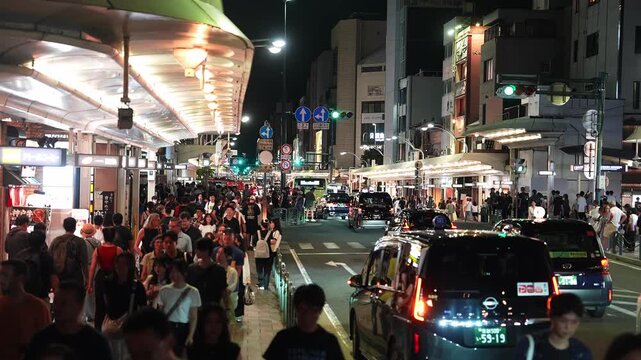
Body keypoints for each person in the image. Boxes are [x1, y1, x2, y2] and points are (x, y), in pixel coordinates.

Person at [25, 281, 112, 360]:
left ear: (79, 306)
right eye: (56, 303)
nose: (57, 308)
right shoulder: (41, 340)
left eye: (63, 304)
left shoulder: (96, 343)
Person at [264, 284, 344, 360]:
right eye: (303, 310)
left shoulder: (329, 342)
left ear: (319, 311)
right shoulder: (283, 338)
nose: (308, 315)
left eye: (313, 310)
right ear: (296, 309)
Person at [514, 293, 591, 359]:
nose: (568, 327)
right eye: (563, 321)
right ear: (551, 316)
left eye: (574, 322)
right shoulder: (529, 346)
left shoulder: (581, 352)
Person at [0, 260, 51, 360]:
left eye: (5, 275)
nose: (1, 279)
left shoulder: (38, 307)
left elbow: (46, 342)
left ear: (20, 278)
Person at [102, 253, 146, 358]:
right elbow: (105, 305)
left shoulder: (137, 286)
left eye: (123, 264)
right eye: (118, 263)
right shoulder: (108, 283)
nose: (119, 267)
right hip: (110, 326)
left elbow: (142, 309)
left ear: (129, 266)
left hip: (129, 329)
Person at [155, 259, 201, 357]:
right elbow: (160, 314)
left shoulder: (193, 292)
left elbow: (193, 317)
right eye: (172, 272)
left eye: (177, 272)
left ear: (184, 273)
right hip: (168, 328)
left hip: (183, 329)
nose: (174, 274)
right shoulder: (164, 290)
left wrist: (190, 336)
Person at [87, 227, 123, 330]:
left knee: (99, 305)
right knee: (113, 302)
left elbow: (92, 268)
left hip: (101, 277)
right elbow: (121, 267)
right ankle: (112, 327)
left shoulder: (98, 250)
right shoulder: (118, 250)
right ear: (114, 237)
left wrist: (89, 285)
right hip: (114, 278)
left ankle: (98, 328)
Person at [15, 230, 58, 302]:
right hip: (41, 296)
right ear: (43, 242)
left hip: (23, 297)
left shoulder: (20, 255)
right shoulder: (46, 257)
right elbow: (53, 278)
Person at [187, 238, 227, 306]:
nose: (196, 251)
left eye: (198, 249)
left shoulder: (219, 270)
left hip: (213, 308)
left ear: (207, 251)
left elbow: (223, 291)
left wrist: (226, 307)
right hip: (195, 307)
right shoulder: (191, 269)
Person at [49, 217, 88, 286]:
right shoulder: (80, 242)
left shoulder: (56, 240)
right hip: (75, 277)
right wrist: (87, 279)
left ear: (64, 227)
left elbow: (49, 258)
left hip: (59, 276)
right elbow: (84, 263)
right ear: (75, 227)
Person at [215, 247, 238, 320]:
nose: (218, 255)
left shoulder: (232, 272)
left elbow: (228, 290)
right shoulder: (213, 269)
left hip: (226, 306)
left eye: (221, 253)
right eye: (217, 252)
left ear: (227, 256)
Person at [265, 218, 282, 290]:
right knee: (268, 268)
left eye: (271, 223)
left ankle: (266, 284)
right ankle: (265, 283)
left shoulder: (276, 232)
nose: (270, 224)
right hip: (270, 251)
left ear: (275, 224)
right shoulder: (272, 231)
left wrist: (265, 241)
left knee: (268, 269)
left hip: (272, 251)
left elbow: (273, 241)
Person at [255, 220, 272, 290]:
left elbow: (253, 243)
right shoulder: (270, 233)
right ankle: (266, 286)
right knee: (267, 270)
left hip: (258, 255)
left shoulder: (257, 233)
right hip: (267, 255)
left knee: (259, 270)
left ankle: (260, 284)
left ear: (261, 225)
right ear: (268, 226)